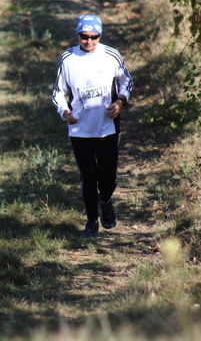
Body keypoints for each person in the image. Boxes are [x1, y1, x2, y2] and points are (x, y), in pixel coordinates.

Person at [52, 15, 133, 238]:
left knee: (107, 176)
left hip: (107, 125)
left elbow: (127, 80)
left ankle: (105, 201)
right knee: (88, 176)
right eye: (84, 37)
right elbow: (58, 91)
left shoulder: (111, 55)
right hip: (79, 128)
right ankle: (91, 222)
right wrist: (64, 111)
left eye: (94, 37)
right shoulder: (68, 58)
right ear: (77, 35)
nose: (89, 42)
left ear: (100, 35)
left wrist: (120, 102)